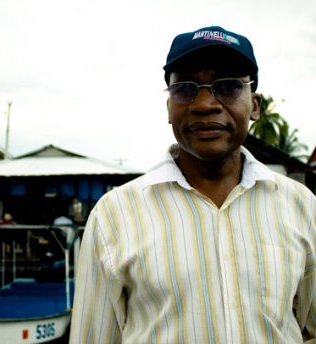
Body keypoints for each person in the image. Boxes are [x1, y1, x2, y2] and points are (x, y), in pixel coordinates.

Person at [70, 26, 316, 343]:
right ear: (169, 108)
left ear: (254, 105)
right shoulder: (115, 216)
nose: (203, 104)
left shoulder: (301, 206)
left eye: (226, 86)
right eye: (185, 89)